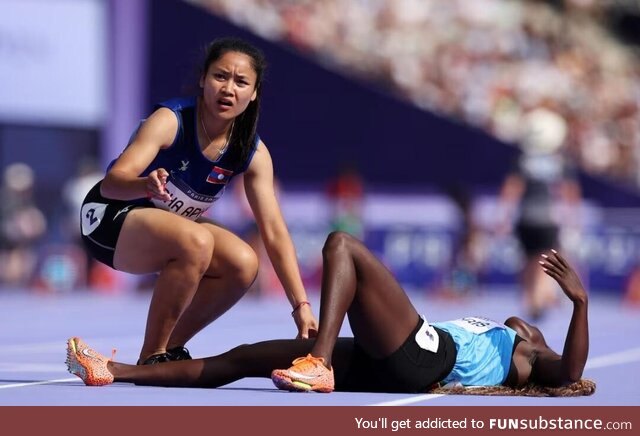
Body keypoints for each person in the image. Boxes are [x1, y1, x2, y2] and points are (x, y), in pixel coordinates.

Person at [66, 231, 589, 394]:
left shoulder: (530, 359)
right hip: (392, 359)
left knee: (343, 245)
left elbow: (570, 373)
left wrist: (580, 304)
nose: (520, 320)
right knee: (248, 356)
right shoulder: (503, 332)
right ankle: (114, 370)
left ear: (534, 340)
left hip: (425, 356)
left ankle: (318, 361)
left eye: (528, 326)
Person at [79, 37, 317, 365]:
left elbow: (274, 232)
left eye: (241, 81)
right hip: (109, 219)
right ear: (204, 79)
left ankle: (171, 345)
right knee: (197, 240)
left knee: (244, 263)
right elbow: (111, 185)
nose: (229, 88)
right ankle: (153, 357)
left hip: (170, 228)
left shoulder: (253, 152)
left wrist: (301, 306)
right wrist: (145, 185)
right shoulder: (170, 120)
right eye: (221, 76)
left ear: (254, 92)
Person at [497, 106, 582, 320]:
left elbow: (511, 189)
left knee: (527, 260)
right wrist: (572, 220)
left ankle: (530, 297)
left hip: (525, 219)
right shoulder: (559, 161)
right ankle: (537, 298)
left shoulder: (523, 159)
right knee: (544, 260)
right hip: (546, 219)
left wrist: (503, 217)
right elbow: (568, 192)